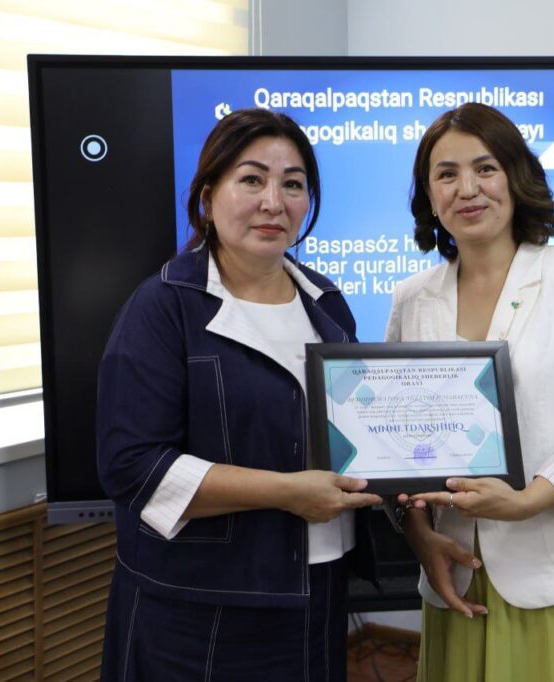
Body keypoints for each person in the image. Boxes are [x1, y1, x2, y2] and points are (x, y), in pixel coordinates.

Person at [96, 108, 382, 681]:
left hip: (320, 586)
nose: (274, 202)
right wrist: (287, 493)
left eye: (293, 184)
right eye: (252, 179)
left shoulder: (327, 304)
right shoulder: (162, 307)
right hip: (199, 608)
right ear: (208, 197)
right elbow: (131, 465)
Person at [386, 103, 554, 681]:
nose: (467, 188)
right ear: (429, 195)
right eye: (446, 174)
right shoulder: (412, 298)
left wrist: (528, 501)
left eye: (485, 168)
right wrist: (422, 538)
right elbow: (397, 440)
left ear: (515, 177)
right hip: (459, 568)